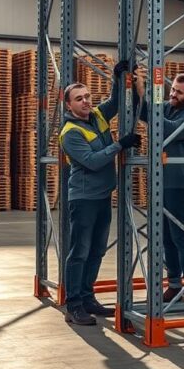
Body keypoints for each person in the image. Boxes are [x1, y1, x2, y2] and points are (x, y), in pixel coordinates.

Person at [59, 60, 140, 326]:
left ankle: (88, 297)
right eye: (79, 99)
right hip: (83, 200)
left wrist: (119, 77)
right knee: (79, 251)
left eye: (87, 97)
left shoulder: (97, 116)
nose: (85, 102)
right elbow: (93, 161)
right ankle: (74, 305)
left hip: (103, 196)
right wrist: (120, 144)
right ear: (68, 105)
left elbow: (115, 102)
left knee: (97, 251)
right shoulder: (70, 133)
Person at [134, 70, 184, 303]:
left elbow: (167, 128)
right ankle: (174, 284)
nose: (173, 94)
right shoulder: (168, 107)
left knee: (180, 235)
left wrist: (150, 99)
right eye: (172, 89)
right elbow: (145, 112)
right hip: (160, 180)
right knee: (165, 236)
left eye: (178, 92)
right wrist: (138, 88)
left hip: (179, 183)